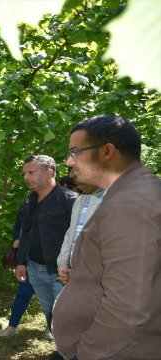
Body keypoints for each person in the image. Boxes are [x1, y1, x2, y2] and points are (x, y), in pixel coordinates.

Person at [53, 115, 161, 359]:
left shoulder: (129, 206)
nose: (69, 160)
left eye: (75, 151)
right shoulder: (134, 193)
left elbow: (127, 306)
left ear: (107, 151)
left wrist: (87, 353)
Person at [15, 155, 76, 338]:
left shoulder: (70, 200)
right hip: (34, 269)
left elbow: (82, 239)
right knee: (50, 312)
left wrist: (74, 268)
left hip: (62, 272)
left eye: (31, 172)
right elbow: (25, 234)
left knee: (66, 317)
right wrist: (21, 262)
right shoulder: (29, 202)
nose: (26, 177)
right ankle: (60, 349)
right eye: (24, 173)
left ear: (49, 172)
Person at [0, 200, 34, 337]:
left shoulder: (62, 200)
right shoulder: (27, 202)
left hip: (50, 262)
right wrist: (16, 239)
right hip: (27, 258)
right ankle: (12, 327)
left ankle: (52, 328)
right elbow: (19, 226)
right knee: (23, 292)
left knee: (52, 298)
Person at [56, 183, 103, 285]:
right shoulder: (80, 200)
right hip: (74, 274)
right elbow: (70, 235)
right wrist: (63, 264)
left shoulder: (113, 201)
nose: (73, 174)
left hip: (96, 281)